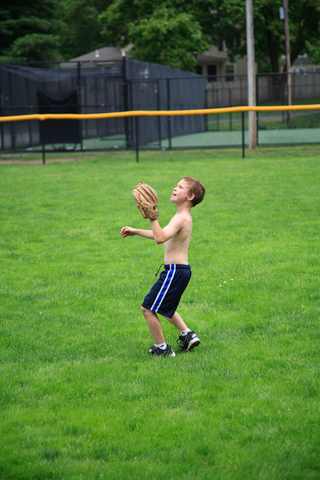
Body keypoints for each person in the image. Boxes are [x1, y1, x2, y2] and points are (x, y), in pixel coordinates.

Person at [120, 176, 205, 357]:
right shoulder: (182, 217)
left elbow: (159, 238)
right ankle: (187, 335)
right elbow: (163, 234)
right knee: (164, 307)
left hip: (174, 271)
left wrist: (153, 216)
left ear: (190, 197)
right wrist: (136, 231)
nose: (175, 188)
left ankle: (162, 349)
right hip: (179, 271)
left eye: (180, 187)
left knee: (148, 308)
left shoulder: (181, 218)